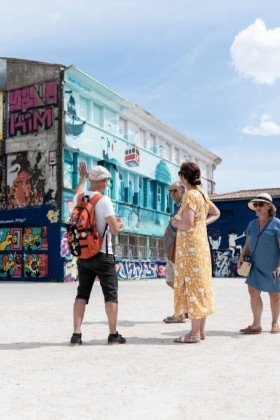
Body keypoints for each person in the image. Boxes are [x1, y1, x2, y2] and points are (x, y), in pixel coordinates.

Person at [70, 162, 126, 345]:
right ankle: (113, 334)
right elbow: (114, 229)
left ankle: (76, 334)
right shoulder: (104, 200)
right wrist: (118, 225)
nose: (107, 184)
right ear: (102, 181)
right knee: (110, 295)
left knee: (81, 294)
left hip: (83, 254)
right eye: (106, 181)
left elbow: (76, 192)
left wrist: (82, 177)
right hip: (102, 254)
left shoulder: (79, 199)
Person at [171, 161, 220, 343]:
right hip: (200, 246)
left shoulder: (191, 195)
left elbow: (188, 223)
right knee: (201, 286)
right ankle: (201, 331)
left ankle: (193, 334)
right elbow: (216, 213)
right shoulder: (202, 194)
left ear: (183, 177)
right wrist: (203, 224)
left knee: (192, 286)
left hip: (190, 249)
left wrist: (176, 222)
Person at [238, 193, 280, 335]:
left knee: (274, 295)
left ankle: (275, 323)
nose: (257, 207)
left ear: (269, 206)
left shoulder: (277, 224)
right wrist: (242, 256)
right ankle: (256, 325)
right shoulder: (252, 224)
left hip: (272, 266)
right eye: (255, 205)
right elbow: (248, 243)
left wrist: (279, 266)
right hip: (255, 265)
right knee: (253, 292)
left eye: (261, 204)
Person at [163, 181, 187, 323]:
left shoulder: (184, 207)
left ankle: (180, 312)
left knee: (177, 282)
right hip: (172, 249)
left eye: (175, 191)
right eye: (170, 191)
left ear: (182, 191)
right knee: (171, 281)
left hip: (178, 249)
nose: (172, 193)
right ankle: (186, 307)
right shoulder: (176, 207)